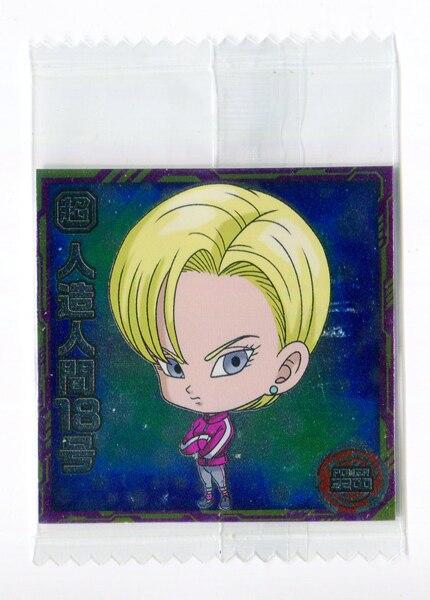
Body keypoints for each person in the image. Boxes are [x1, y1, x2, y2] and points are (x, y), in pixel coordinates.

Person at [109, 183, 330, 511]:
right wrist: (192, 444)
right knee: (207, 478)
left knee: (217, 478)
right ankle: (212, 496)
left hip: (214, 459)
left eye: (233, 361)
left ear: (286, 368)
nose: (195, 387)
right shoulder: (204, 419)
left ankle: (222, 496)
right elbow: (194, 436)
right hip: (203, 460)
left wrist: (201, 445)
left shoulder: (224, 424)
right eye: (173, 365)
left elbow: (217, 439)